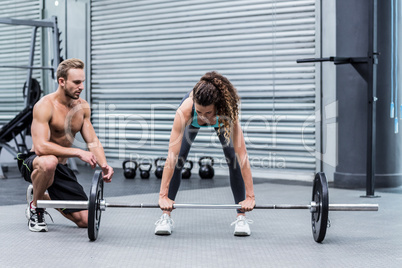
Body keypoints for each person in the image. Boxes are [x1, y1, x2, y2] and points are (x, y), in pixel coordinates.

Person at [17, 58, 114, 232]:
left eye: (82, 82)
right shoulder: (45, 106)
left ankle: (42, 197)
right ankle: (36, 207)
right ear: (62, 81)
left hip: (60, 168)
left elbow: (92, 140)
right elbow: (40, 147)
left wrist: (104, 164)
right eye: (76, 82)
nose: (81, 87)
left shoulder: (82, 107)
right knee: (49, 162)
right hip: (35, 162)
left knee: (85, 220)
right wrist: (77, 152)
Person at [156, 71, 255, 236]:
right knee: (179, 157)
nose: (203, 118)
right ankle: (165, 216)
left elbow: (242, 155)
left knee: (233, 158)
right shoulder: (185, 110)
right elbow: (171, 157)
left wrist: (250, 196)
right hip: (190, 116)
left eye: (208, 113)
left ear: (218, 107)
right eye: (199, 112)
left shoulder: (228, 112)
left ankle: (241, 217)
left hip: (221, 119)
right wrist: (162, 196)